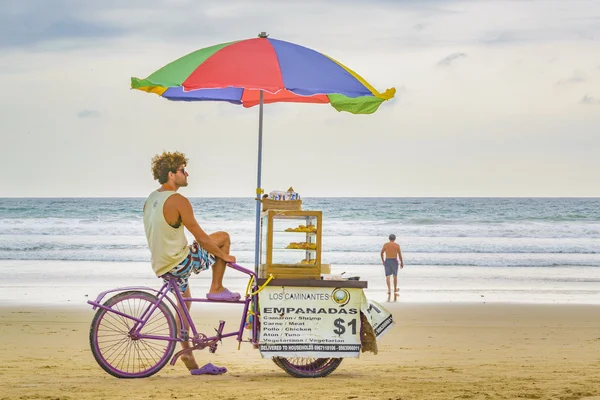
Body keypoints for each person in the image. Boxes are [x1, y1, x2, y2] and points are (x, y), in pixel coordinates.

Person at [143, 151, 239, 375]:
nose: (187, 174)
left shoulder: (151, 199)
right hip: (179, 262)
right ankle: (216, 287)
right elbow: (202, 237)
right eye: (182, 170)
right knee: (222, 237)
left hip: (161, 263)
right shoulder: (177, 200)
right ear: (171, 174)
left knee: (184, 303)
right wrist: (223, 255)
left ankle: (187, 353)